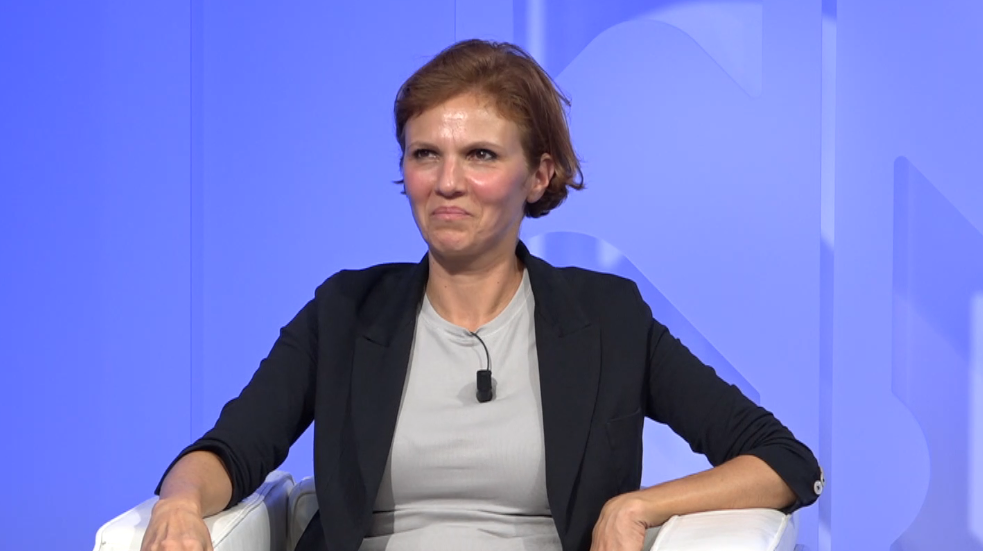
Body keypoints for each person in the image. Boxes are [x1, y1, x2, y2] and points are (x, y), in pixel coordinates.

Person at [140, 39, 822, 551]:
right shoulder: (344, 311)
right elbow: (230, 450)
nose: (447, 182)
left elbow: (784, 462)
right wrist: (179, 502)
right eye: (425, 154)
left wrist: (637, 506)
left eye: (481, 155)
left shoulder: (607, 318)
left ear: (539, 175)